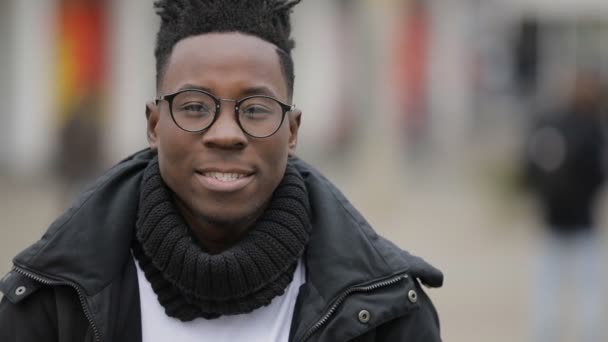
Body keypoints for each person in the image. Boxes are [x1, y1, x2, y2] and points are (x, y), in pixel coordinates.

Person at [0, 1, 443, 341]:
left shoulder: (389, 315)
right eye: (194, 107)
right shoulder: (49, 302)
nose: (226, 134)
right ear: (154, 126)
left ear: (292, 131)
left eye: (255, 109)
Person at [524, 72, 606, 342]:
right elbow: (599, 173)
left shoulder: (550, 125)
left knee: (548, 284)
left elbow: (530, 168)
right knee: (587, 286)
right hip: (581, 220)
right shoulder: (591, 129)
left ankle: (545, 332)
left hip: (554, 217)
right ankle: (588, 333)